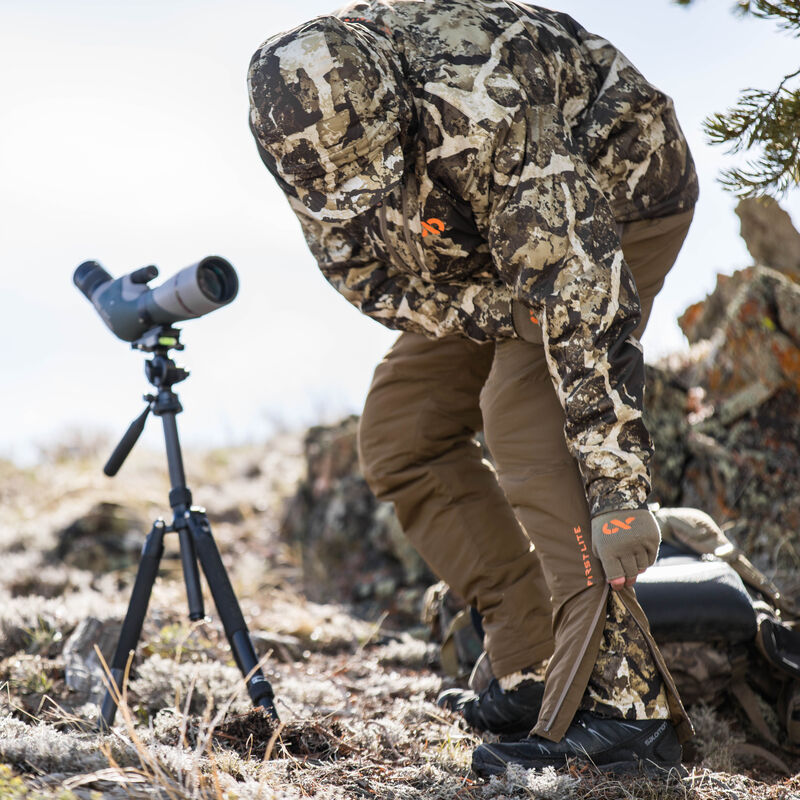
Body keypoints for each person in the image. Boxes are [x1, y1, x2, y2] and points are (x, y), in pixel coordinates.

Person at [247, 0, 698, 776]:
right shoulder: (304, 126)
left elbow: (584, 311)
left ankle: (627, 716)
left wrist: (619, 494)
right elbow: (363, 272)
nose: (360, 197)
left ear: (396, 108)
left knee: (522, 416)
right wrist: (491, 309)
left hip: (613, 200)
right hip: (477, 257)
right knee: (401, 434)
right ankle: (532, 661)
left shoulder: (488, 110)